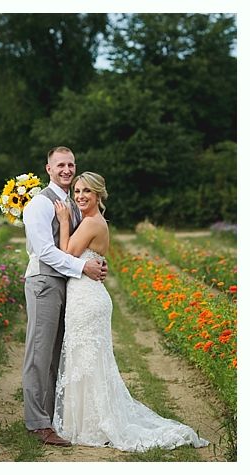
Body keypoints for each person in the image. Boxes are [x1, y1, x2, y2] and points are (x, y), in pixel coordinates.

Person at [51, 172, 209, 451]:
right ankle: (87, 420)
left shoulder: (90, 222)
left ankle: (96, 422)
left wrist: (64, 221)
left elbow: (66, 253)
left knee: (88, 361)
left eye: (86, 191)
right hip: (86, 297)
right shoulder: (94, 221)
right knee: (86, 361)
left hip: (87, 301)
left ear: (99, 194)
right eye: (76, 191)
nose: (80, 197)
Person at [21, 146, 107, 446]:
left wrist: (93, 260)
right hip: (44, 281)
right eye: (60, 165)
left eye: (71, 164)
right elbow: (44, 251)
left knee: (57, 355)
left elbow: (82, 242)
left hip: (66, 284)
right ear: (48, 168)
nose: (67, 169)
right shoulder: (39, 205)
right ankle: (37, 423)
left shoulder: (71, 203)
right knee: (39, 354)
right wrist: (83, 265)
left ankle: (51, 418)